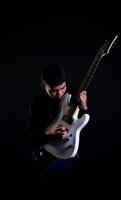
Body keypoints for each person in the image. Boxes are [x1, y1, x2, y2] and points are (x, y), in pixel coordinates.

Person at [27, 64, 89, 199]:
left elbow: (83, 123)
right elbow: (31, 136)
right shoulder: (37, 102)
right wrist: (48, 134)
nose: (60, 94)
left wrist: (84, 107)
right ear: (44, 87)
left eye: (63, 88)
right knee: (52, 187)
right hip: (47, 155)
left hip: (71, 152)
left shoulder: (73, 95)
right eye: (53, 91)